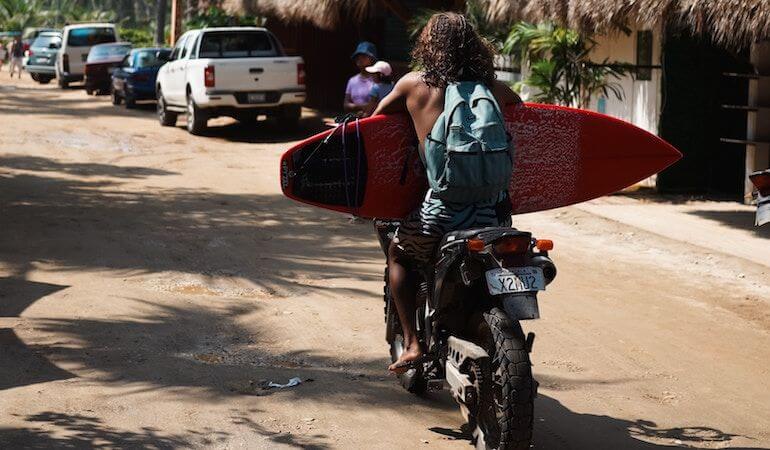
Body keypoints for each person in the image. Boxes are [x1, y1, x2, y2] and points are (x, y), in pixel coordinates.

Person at [372, 12, 522, 373]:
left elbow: (374, 124)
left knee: (400, 256)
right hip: (492, 211)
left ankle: (411, 344)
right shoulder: (494, 90)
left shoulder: (414, 86)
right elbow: (520, 109)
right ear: (475, 47)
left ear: (428, 46)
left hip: (442, 212)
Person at [343, 41, 377, 115]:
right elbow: (346, 105)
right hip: (355, 120)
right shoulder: (352, 81)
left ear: (372, 59)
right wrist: (363, 106)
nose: (359, 59)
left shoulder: (377, 80)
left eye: (364, 56)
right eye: (358, 57)